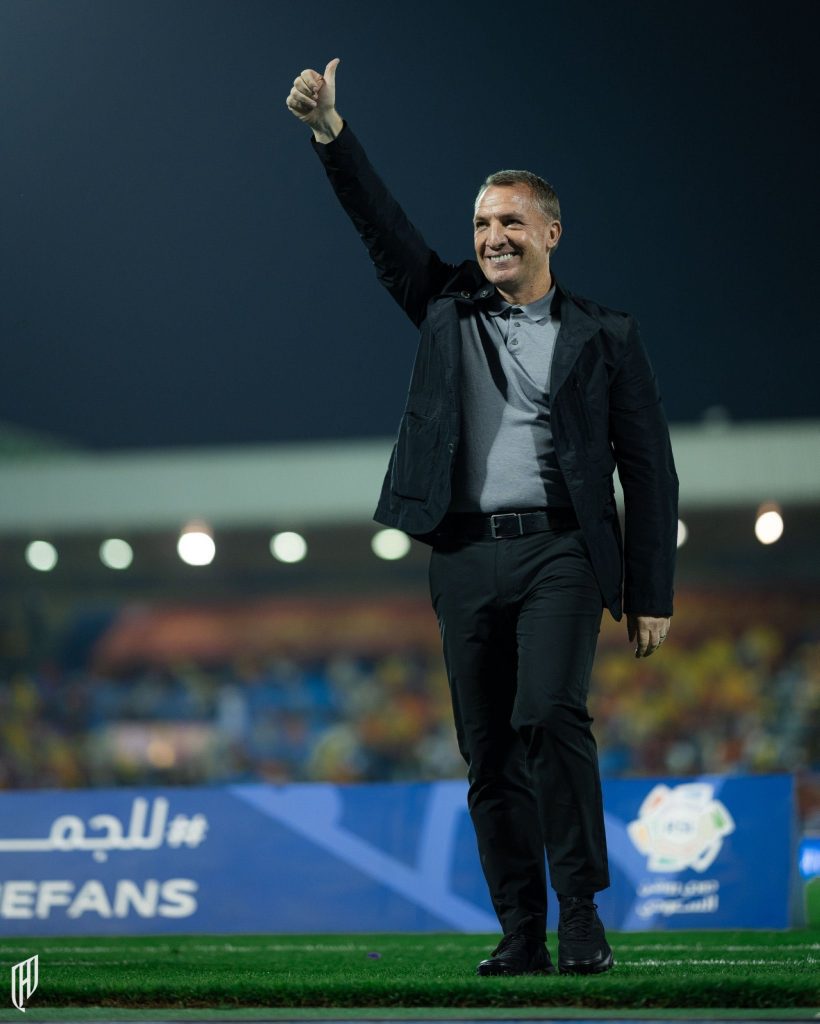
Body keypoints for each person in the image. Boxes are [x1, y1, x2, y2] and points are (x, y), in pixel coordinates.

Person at [285, 58, 678, 977]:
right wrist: (330, 134)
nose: (492, 236)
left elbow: (648, 468)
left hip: (562, 551)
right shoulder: (445, 306)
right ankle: (521, 931)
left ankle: (581, 914)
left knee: (549, 713)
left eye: (509, 222)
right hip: (461, 554)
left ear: (550, 232)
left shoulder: (608, 335)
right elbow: (381, 227)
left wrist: (651, 589)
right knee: (489, 751)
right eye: (481, 224)